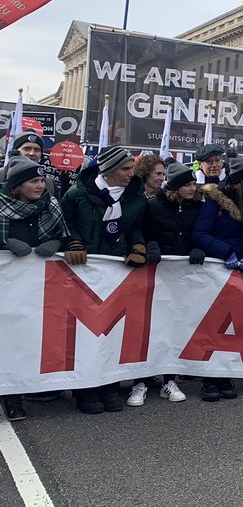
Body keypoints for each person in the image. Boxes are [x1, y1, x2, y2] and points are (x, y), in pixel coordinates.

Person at [61, 146, 150, 414]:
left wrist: (138, 245)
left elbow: (137, 227)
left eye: (131, 168)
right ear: (108, 170)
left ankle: (109, 384)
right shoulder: (77, 194)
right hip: (83, 272)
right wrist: (74, 241)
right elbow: (67, 222)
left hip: (116, 272)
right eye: (125, 169)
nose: (130, 174)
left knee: (112, 330)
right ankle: (85, 390)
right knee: (85, 332)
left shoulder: (136, 197)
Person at [192, 153, 243, 401]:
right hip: (218, 271)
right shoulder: (215, 200)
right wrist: (226, 253)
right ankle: (209, 379)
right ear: (241, 180)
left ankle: (226, 375)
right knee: (213, 327)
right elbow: (199, 234)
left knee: (235, 327)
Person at [0, 156, 68, 421]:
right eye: (33, 181)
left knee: (32, 342)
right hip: (8, 289)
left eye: (42, 180)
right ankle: (11, 399)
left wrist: (57, 245)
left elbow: (65, 237)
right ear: (17, 186)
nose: (41, 185)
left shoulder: (51, 206)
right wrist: (6, 245)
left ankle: (34, 388)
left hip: (40, 289)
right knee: (9, 343)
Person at [135, 162, 207, 406]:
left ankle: (169, 379)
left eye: (194, 183)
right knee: (151, 326)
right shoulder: (153, 205)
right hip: (157, 274)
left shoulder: (196, 207)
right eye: (187, 184)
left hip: (182, 277)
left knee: (176, 325)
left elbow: (199, 232)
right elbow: (140, 230)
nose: (192, 188)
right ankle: (140, 381)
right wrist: (150, 244)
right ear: (175, 187)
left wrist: (199, 247)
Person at [0, 132, 56, 196]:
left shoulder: (49, 183)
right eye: (27, 149)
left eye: (36, 150)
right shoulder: (1, 175)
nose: (32, 153)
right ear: (15, 151)